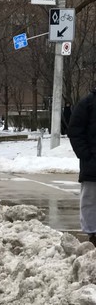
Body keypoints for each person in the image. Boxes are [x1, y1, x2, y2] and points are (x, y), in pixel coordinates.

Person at [68, 88, 96, 246]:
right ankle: (92, 234)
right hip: (92, 165)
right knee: (90, 199)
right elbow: (74, 131)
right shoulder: (87, 103)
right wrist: (86, 155)